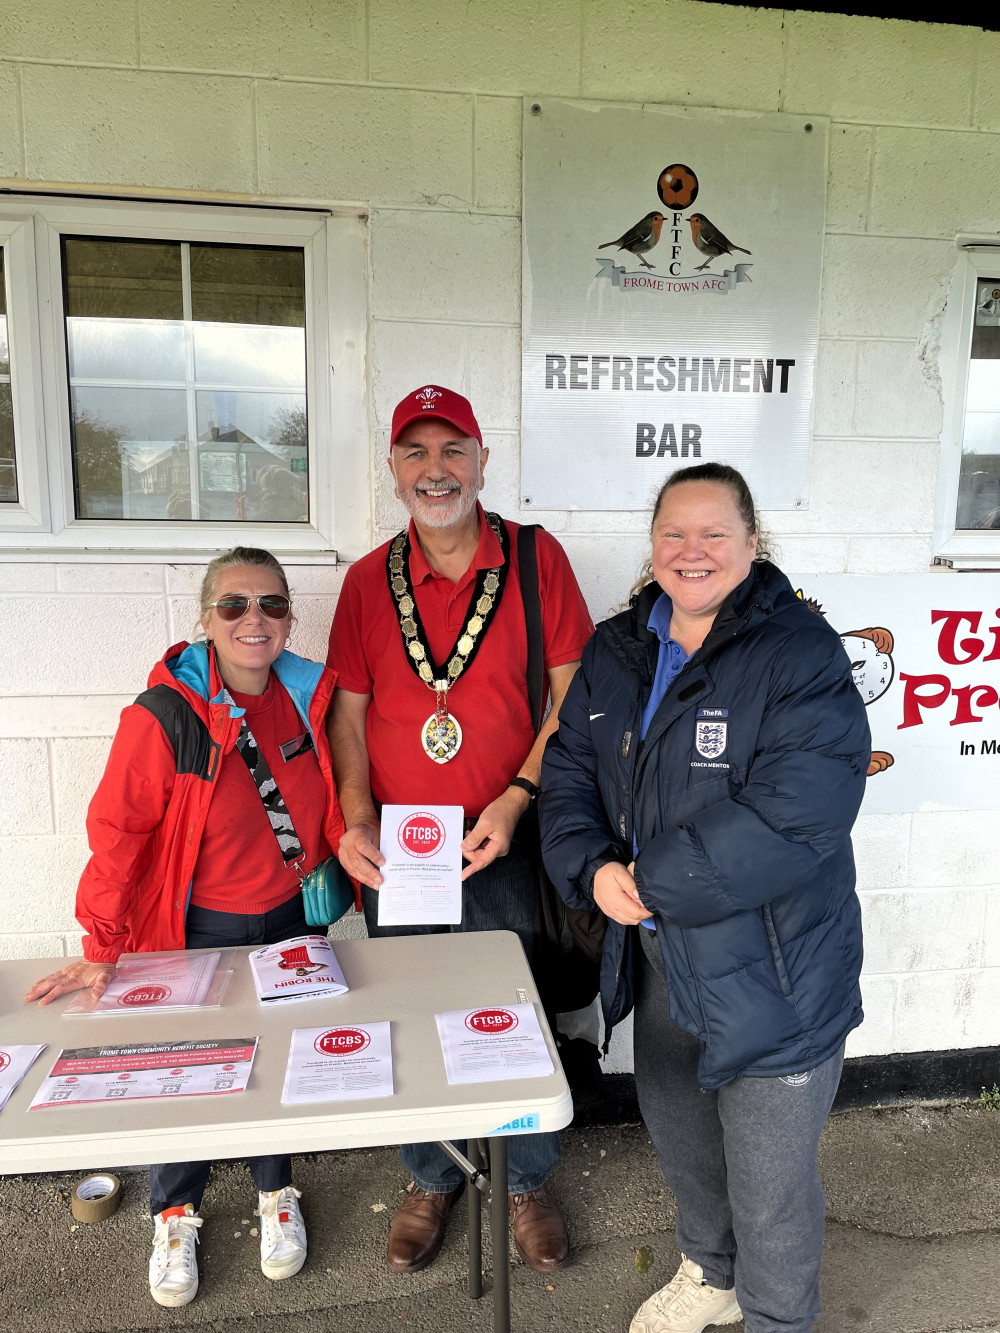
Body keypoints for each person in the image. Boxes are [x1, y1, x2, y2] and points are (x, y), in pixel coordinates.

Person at [539, 463, 871, 1333]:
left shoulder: (800, 651)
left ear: (753, 544)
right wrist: (590, 867)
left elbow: (802, 813)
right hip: (658, 956)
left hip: (774, 965)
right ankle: (713, 1273)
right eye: (674, 533)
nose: (693, 551)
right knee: (681, 1132)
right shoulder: (618, 649)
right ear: (652, 547)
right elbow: (569, 771)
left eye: (714, 533)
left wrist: (648, 880)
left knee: (770, 1183)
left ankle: (776, 1317)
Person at [24, 546, 351, 1309]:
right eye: (233, 604)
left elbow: (334, 793)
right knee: (192, 1066)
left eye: (271, 604)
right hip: (194, 924)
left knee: (282, 1060)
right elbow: (118, 832)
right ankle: (174, 1212)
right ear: (205, 618)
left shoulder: (310, 694)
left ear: (289, 617)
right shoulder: (164, 714)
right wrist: (102, 946)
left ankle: (277, 1191)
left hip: (290, 918)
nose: (254, 620)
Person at [327, 384, 594, 1275]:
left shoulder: (534, 559)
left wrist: (516, 797)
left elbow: (572, 696)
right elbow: (351, 718)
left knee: (512, 1010)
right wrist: (355, 818)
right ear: (394, 470)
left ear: (483, 461)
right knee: (411, 1008)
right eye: (416, 452)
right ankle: (431, 1172)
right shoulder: (368, 581)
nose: (435, 470)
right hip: (404, 847)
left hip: (503, 833)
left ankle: (524, 1176)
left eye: (453, 450)